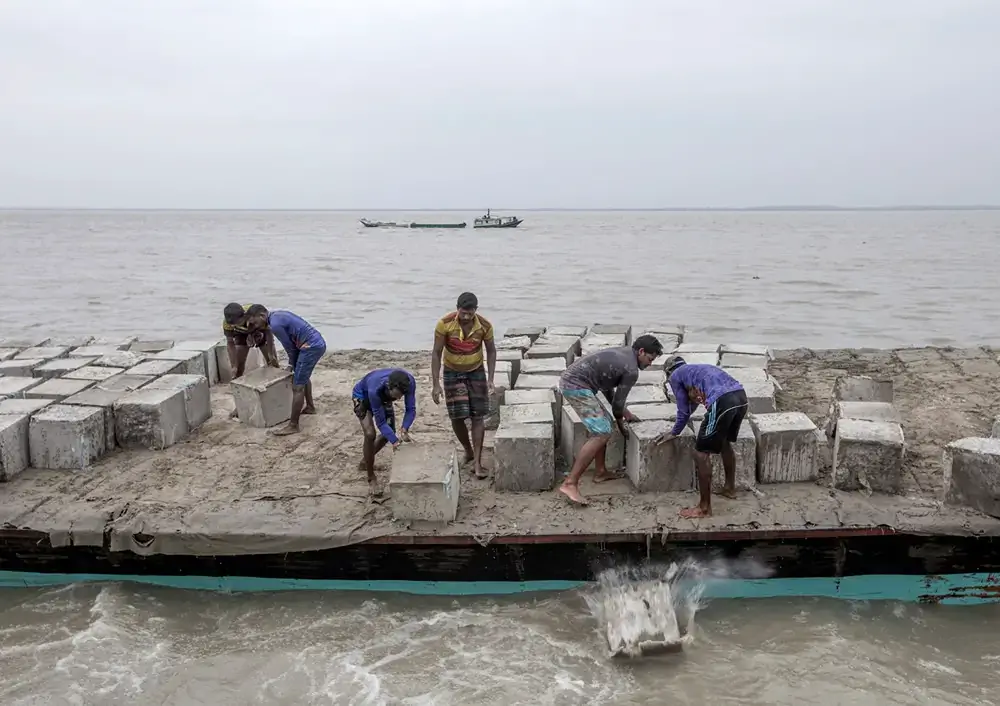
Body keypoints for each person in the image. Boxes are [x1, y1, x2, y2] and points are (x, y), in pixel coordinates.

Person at [557, 334, 664, 506]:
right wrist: (621, 426)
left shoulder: (625, 353)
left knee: (604, 424)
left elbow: (607, 384)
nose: (650, 364)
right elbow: (616, 406)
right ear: (642, 352)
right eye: (650, 359)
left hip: (574, 379)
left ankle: (600, 472)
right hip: (575, 385)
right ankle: (570, 483)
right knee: (602, 432)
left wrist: (625, 412)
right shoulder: (631, 370)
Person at [655, 356, 748, 519]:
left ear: (669, 372)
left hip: (722, 401)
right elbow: (694, 402)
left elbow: (684, 411)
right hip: (741, 398)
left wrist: (674, 432)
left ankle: (704, 508)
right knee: (725, 442)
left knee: (700, 453)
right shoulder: (696, 370)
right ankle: (729, 488)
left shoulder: (675, 376)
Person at [431, 292, 496, 479]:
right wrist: (436, 384)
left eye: (470, 313)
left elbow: (491, 351)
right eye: (463, 313)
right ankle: (467, 449)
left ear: (476, 310)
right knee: (457, 416)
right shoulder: (445, 323)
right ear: (457, 309)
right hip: (452, 370)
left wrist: (490, 378)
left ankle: (477, 462)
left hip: (476, 370)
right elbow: (436, 353)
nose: (466, 317)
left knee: (478, 416)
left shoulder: (485, 325)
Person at [244, 304, 326, 436]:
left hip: (310, 347)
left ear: (262, 316)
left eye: (255, 323)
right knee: (302, 376)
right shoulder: (277, 316)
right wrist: (293, 365)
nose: (256, 326)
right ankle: (310, 407)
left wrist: (291, 365)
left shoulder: (275, 325)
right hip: (314, 342)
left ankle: (293, 425)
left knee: (297, 386)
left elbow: (290, 348)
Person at [352, 368, 417, 495]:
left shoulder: (409, 382)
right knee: (370, 434)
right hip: (364, 396)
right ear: (389, 386)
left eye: (401, 396)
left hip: (384, 398)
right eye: (396, 395)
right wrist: (395, 441)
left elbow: (411, 409)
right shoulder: (375, 388)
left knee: (389, 432)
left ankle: (365, 462)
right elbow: (380, 423)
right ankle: (371, 477)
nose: (398, 399)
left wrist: (405, 428)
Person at [222, 302, 265, 419]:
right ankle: (239, 406)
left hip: (258, 328)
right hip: (241, 333)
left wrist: (270, 355)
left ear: (244, 316)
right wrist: (234, 365)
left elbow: (268, 333)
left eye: (237, 323)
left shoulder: (253, 314)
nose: (234, 325)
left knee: (271, 362)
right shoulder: (228, 324)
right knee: (238, 372)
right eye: (232, 324)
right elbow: (230, 343)